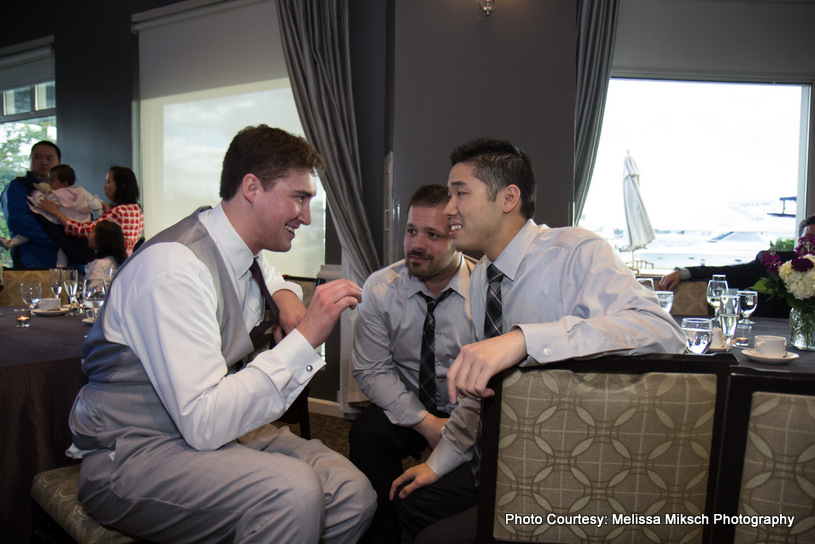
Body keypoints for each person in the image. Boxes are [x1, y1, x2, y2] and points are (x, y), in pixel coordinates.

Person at [66, 125, 375, 543]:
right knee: (291, 492)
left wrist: (285, 294)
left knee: (353, 492)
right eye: (299, 198)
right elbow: (203, 422)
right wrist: (307, 338)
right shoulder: (173, 269)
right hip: (135, 450)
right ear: (251, 187)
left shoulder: (240, 248)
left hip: (219, 433)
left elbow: (266, 274)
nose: (305, 216)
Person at [389, 138, 686, 543]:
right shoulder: (481, 277)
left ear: (508, 198)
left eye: (461, 193)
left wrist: (525, 340)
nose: (449, 209)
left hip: (565, 467)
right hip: (496, 456)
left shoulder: (576, 252)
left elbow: (661, 331)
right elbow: (481, 395)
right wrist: (438, 462)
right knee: (409, 501)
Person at [350, 183, 477, 544]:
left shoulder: (485, 292)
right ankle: (382, 535)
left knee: (439, 491)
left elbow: (493, 383)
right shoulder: (380, 288)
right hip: (409, 404)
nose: (416, 245)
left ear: (457, 238)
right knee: (367, 432)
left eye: (432, 235)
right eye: (411, 231)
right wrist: (426, 424)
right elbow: (372, 371)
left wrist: (450, 432)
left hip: (469, 409)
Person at [658, 215, 815, 317]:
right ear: (799, 240)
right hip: (772, 337)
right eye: (808, 239)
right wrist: (685, 273)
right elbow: (732, 273)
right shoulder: (777, 263)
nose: (812, 245)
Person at [1, 164, 104, 266]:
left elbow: (45, 201)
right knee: (61, 246)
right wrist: (102, 209)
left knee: (61, 244)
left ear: (64, 183)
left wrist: (36, 194)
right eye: (37, 157)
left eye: (52, 180)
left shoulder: (56, 194)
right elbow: (94, 203)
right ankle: (60, 268)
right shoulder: (82, 191)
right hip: (74, 226)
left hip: (61, 224)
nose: (49, 182)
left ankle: (11, 242)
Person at [39, 166, 144, 257]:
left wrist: (56, 213)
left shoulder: (117, 212)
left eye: (108, 182)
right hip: (125, 262)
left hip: (111, 264)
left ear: (122, 186)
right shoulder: (136, 209)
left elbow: (83, 230)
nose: (104, 187)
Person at [0, 141, 61, 268]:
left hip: (70, 262)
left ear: (59, 163)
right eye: (38, 157)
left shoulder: (68, 189)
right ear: (30, 159)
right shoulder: (18, 186)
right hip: (32, 261)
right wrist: (61, 238)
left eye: (49, 158)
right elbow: (19, 221)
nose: (43, 162)